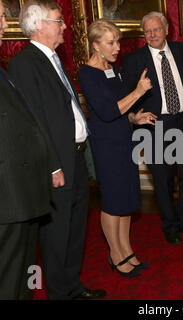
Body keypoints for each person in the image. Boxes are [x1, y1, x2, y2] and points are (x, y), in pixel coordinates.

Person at [8, 0, 106, 300]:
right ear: (38, 25)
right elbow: (35, 121)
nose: (65, 26)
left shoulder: (53, 58)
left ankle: (72, 286)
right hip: (56, 165)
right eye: (58, 20)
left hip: (75, 156)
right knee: (56, 234)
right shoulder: (24, 64)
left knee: (76, 229)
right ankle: (59, 293)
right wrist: (52, 166)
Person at [78, 20, 156, 277]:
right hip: (107, 145)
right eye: (111, 42)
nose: (117, 47)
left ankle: (126, 250)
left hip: (125, 140)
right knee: (112, 201)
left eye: (118, 41)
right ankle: (115, 254)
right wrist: (138, 91)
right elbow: (108, 111)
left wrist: (136, 118)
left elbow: (121, 109)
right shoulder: (87, 74)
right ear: (95, 45)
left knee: (125, 199)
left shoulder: (114, 69)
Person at [122, 11, 183, 244]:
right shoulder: (134, 60)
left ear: (167, 29)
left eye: (156, 29)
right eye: (147, 31)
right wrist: (133, 117)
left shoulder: (181, 51)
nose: (152, 34)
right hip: (155, 126)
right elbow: (127, 95)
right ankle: (170, 226)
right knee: (163, 179)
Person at [0, 0, 50, 299]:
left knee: (22, 276)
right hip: (6, 197)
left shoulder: (3, 70)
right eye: (1, 18)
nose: (6, 25)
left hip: (21, 194)